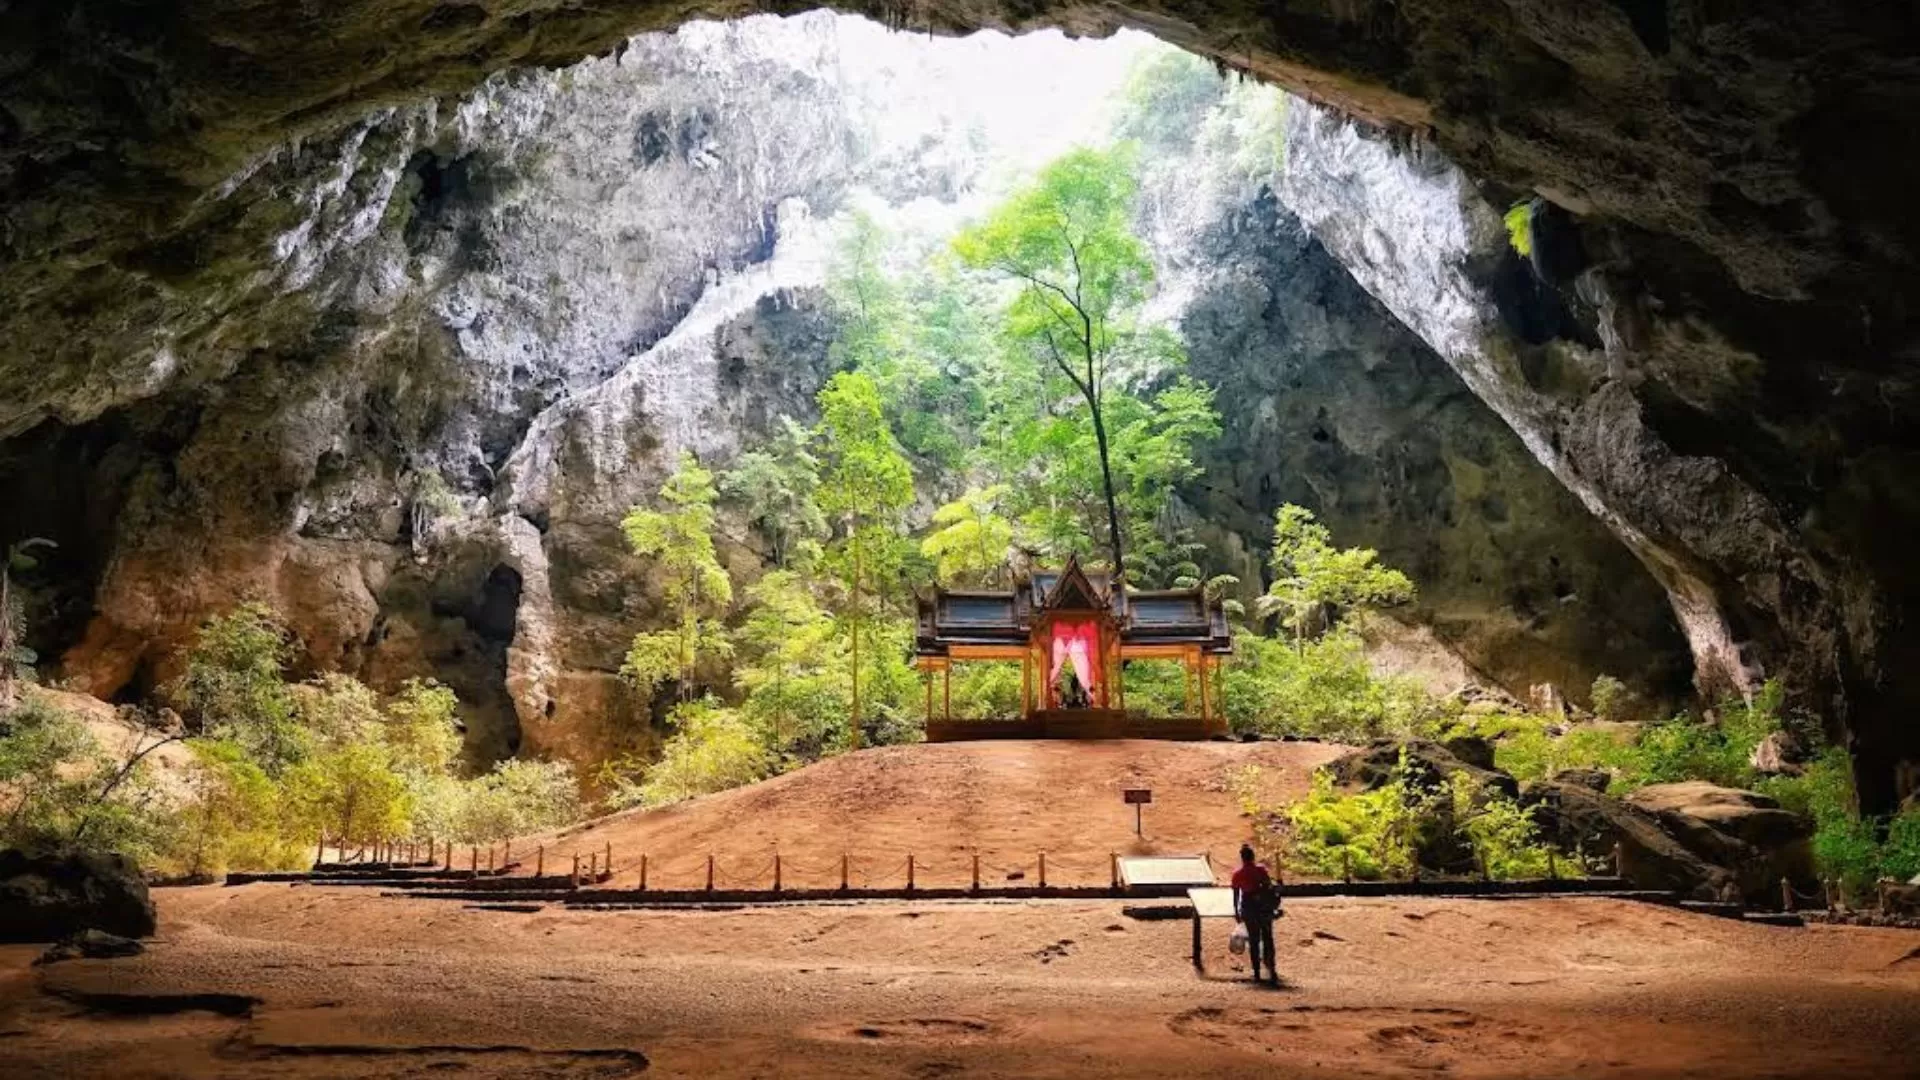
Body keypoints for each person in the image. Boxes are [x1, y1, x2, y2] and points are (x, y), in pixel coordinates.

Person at [1231, 843, 1280, 984]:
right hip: (1263, 906)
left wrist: (1236, 911)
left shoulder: (1237, 874)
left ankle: (1257, 972)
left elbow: (1236, 895)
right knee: (1268, 937)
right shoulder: (1261, 870)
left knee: (1253, 940)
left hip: (1248, 907)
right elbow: (1269, 887)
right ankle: (1271, 968)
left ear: (1242, 858)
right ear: (1253, 857)